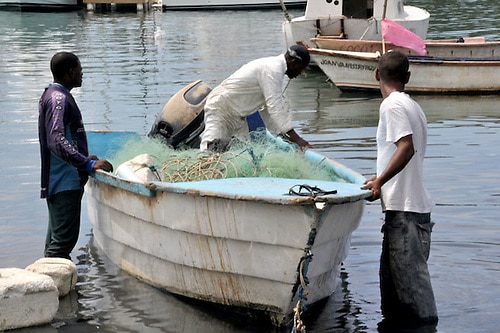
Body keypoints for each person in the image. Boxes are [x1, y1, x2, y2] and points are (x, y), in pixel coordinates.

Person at [361, 51, 438, 326]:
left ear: (377, 75)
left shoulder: (391, 106)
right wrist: (379, 176)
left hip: (406, 215)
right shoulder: (412, 106)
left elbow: (406, 148)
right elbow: (403, 153)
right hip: (405, 214)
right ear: (407, 77)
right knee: (392, 299)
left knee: (417, 306)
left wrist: (380, 182)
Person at [38, 52, 113, 260]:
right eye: (80, 70)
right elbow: (57, 140)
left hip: (60, 179)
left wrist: (83, 155)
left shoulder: (53, 95)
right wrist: (87, 163)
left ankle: (56, 288)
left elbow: (63, 139)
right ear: (70, 72)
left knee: (55, 242)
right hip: (65, 182)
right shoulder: (59, 99)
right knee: (62, 244)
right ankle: (56, 290)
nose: (82, 74)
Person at [200, 44, 312, 152]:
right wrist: (297, 139)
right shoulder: (272, 69)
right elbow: (275, 107)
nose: (300, 73)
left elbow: (269, 112)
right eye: (301, 68)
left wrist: (288, 139)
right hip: (221, 108)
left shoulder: (275, 70)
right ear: (293, 62)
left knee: (237, 152)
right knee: (209, 150)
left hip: (236, 115)